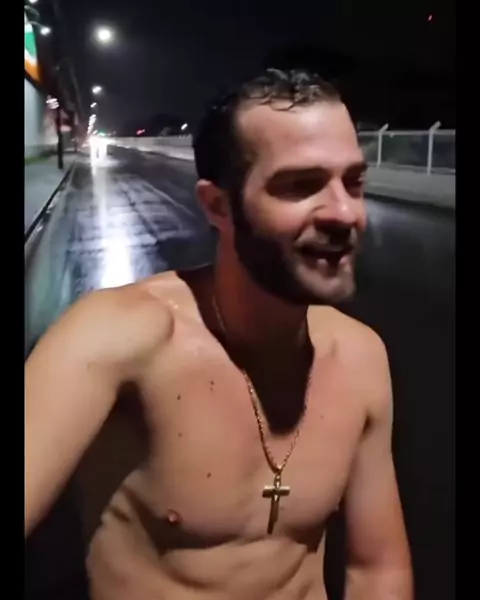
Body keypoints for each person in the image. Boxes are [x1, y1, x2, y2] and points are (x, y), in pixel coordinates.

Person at [25, 68, 413, 600]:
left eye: (353, 182)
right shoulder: (114, 340)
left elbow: (378, 571)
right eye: (300, 185)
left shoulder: (361, 356)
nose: (345, 213)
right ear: (218, 207)